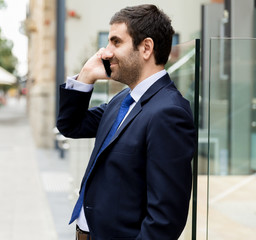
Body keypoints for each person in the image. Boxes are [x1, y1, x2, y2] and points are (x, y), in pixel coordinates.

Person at [57, 4, 196, 240]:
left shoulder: (169, 113)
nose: (105, 52)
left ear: (146, 48)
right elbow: (72, 125)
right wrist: (86, 76)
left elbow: (165, 218)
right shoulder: (123, 99)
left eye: (116, 42)